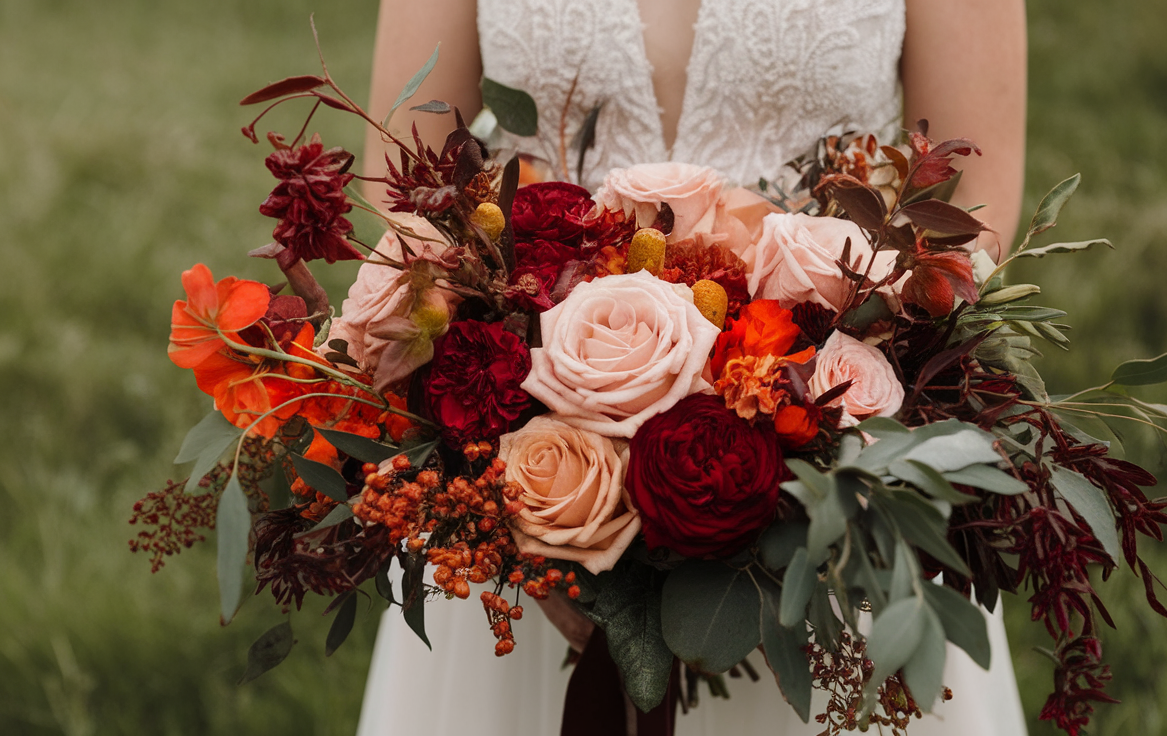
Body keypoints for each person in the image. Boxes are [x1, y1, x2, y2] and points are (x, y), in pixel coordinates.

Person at [356, 1, 1028, 734]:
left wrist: (789, 452)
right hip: (526, 465)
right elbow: (405, 190)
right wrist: (543, 510)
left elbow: (972, 210)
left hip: (816, 472)